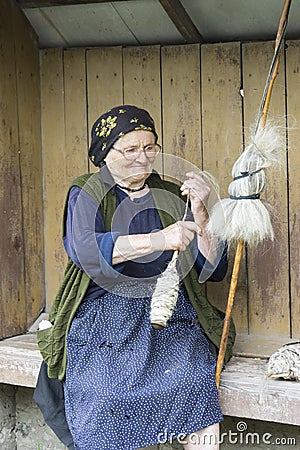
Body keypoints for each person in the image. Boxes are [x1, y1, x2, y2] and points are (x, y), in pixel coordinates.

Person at [37, 105, 235, 450]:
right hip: (104, 314)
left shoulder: (173, 195)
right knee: (105, 392)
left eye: (150, 147)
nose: (143, 158)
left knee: (193, 380)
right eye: (130, 149)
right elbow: (85, 251)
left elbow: (211, 270)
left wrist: (203, 216)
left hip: (169, 311)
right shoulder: (86, 191)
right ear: (105, 153)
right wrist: (159, 239)